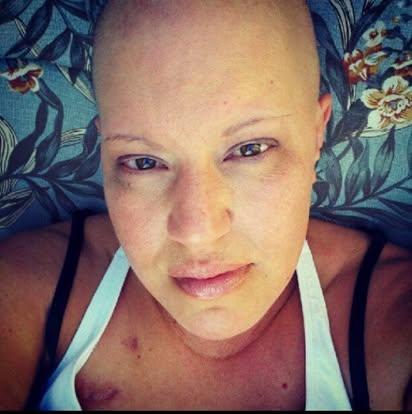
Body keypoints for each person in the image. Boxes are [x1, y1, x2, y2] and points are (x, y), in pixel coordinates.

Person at [0, 0, 411, 410]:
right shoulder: (27, 290)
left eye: (250, 149)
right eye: (144, 162)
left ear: (316, 133)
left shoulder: (392, 316)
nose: (197, 232)